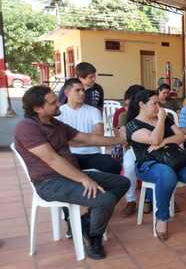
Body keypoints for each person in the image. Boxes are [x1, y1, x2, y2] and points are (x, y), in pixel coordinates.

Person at [14, 85, 129, 259]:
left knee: (122, 182)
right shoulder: (27, 127)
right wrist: (84, 179)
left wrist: (118, 139)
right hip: (49, 183)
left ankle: (86, 223)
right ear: (38, 108)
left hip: (70, 174)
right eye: (53, 103)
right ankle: (94, 237)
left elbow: (87, 138)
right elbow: (52, 159)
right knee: (106, 199)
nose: (58, 104)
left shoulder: (55, 123)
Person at [126, 90, 186, 241]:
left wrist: (165, 141)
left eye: (159, 103)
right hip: (149, 164)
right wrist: (161, 121)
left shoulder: (166, 118)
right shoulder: (132, 125)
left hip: (174, 159)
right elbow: (154, 139)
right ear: (142, 105)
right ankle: (162, 218)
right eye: (154, 103)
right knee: (167, 174)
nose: (159, 107)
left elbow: (181, 136)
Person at [56, 78, 122, 175]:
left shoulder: (93, 111)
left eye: (83, 90)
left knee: (114, 165)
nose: (82, 93)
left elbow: (99, 135)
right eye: (77, 90)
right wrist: (91, 140)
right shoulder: (59, 112)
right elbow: (60, 140)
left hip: (93, 154)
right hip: (70, 155)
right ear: (67, 93)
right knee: (61, 167)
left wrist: (74, 141)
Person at [115, 84, 146, 216]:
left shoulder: (153, 112)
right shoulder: (124, 116)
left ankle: (162, 196)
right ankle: (131, 200)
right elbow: (123, 138)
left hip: (154, 147)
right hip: (133, 148)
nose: (127, 107)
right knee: (128, 165)